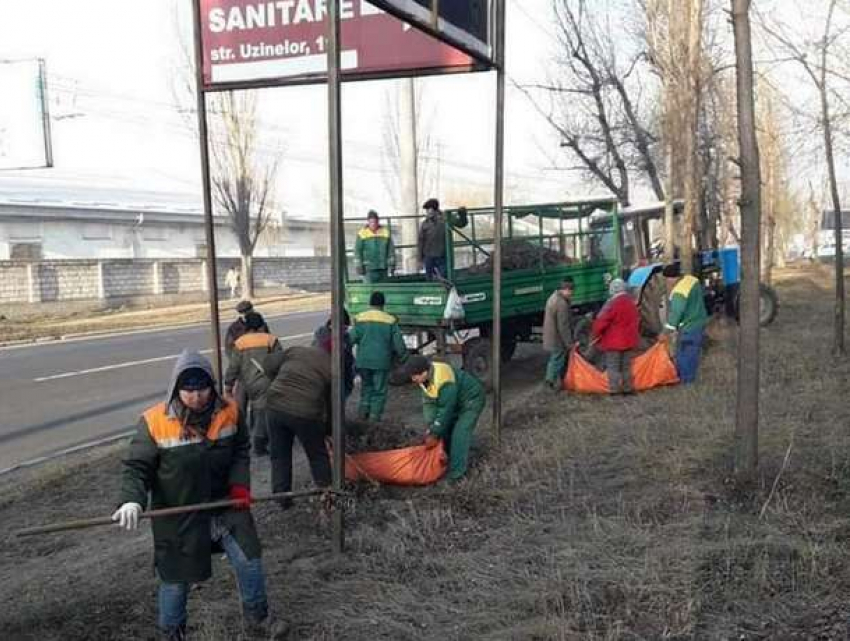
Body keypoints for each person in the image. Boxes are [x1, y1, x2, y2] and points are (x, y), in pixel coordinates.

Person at [112, 352, 280, 640]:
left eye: (202, 388)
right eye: (188, 390)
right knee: (176, 579)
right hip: (179, 514)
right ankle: (172, 633)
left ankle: (258, 619)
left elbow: (241, 450)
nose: (196, 396)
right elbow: (137, 467)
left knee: (249, 559)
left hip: (226, 505)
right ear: (176, 388)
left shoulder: (230, 411)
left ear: (211, 386)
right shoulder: (154, 422)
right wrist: (132, 499)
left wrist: (240, 487)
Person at [263, 345, 333, 507]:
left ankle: (282, 499)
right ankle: (327, 496)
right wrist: (328, 431)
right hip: (306, 412)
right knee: (317, 455)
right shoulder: (332, 366)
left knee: (279, 455)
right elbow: (331, 405)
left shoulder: (296, 350)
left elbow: (268, 364)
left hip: (275, 406)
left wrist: (276, 379)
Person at [402, 355, 486, 483]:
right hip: (454, 400)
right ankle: (447, 459)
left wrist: (435, 432)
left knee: (460, 434)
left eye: (415, 376)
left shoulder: (443, 379)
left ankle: (456, 475)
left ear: (424, 372)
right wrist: (432, 427)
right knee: (444, 431)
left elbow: (445, 410)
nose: (413, 379)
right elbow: (429, 403)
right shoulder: (424, 379)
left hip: (471, 399)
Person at [224, 311, 280, 456]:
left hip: (247, 383)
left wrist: (228, 385)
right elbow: (281, 361)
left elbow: (233, 366)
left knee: (252, 411)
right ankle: (259, 445)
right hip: (265, 381)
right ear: (261, 325)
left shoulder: (240, 342)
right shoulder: (271, 340)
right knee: (262, 412)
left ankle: (248, 438)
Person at [350, 291, 408, 422]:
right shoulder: (390, 320)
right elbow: (398, 344)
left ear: (370, 303)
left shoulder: (360, 318)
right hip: (381, 362)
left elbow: (351, 339)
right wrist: (405, 359)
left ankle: (362, 414)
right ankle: (374, 419)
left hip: (363, 361)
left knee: (366, 387)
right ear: (383, 304)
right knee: (379, 390)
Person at [591, 278, 640, 394]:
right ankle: (628, 389)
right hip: (629, 341)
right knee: (626, 367)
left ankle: (615, 390)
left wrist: (595, 335)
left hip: (613, 343)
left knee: (613, 367)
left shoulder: (611, 303)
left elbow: (601, 321)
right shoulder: (631, 303)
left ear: (612, 289)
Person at [663, 262, 709, 383]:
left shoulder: (679, 292)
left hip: (689, 326)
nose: (667, 282)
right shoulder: (692, 280)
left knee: (684, 354)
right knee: (693, 352)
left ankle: (686, 380)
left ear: (672, 278)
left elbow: (676, 313)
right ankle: (688, 377)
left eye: (667, 279)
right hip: (700, 320)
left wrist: (666, 331)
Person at [311, 310, 355, 401]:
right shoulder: (327, 335)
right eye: (345, 328)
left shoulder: (321, 332)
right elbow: (347, 360)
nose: (346, 330)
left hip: (323, 373)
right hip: (330, 374)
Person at [542, 277, 575, 390]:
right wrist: (569, 343)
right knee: (557, 360)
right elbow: (563, 326)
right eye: (570, 291)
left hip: (551, 335)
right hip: (557, 338)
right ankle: (549, 382)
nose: (571, 294)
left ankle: (554, 381)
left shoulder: (553, 297)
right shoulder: (561, 304)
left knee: (555, 359)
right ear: (565, 289)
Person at [354, 210, 395, 283]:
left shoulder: (385, 232)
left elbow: (390, 250)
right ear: (368, 222)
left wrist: (392, 264)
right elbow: (357, 251)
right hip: (368, 269)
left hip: (383, 267)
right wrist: (358, 265)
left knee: (383, 290)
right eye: (371, 222)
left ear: (378, 221)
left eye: (375, 222)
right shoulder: (362, 234)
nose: (373, 224)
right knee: (370, 290)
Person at [418, 198, 447, 280]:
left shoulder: (444, 221)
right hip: (428, 256)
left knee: (443, 278)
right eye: (426, 210)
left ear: (435, 210)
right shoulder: (425, 224)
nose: (427, 212)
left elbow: (460, 223)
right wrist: (420, 259)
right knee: (429, 278)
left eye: (428, 210)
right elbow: (421, 241)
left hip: (442, 256)